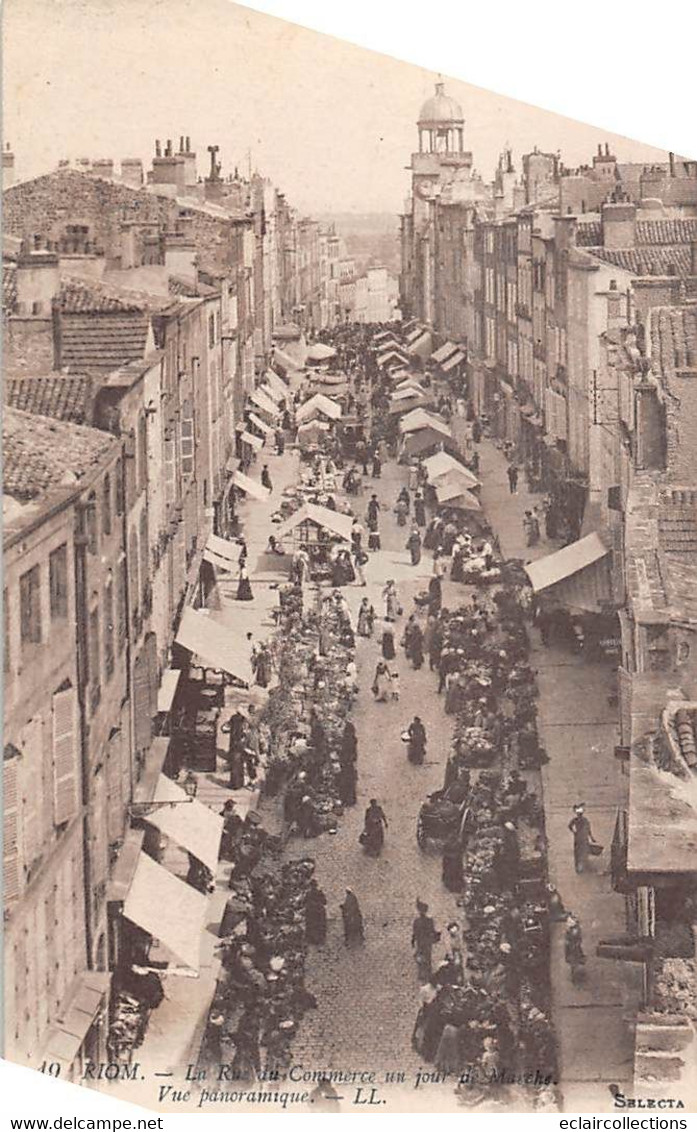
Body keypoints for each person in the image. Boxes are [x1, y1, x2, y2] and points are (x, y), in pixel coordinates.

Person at [411, 901, 440, 981]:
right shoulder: (429, 920)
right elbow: (432, 931)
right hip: (426, 942)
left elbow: (415, 933)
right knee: (427, 956)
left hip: (421, 941)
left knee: (421, 956)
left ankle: (422, 973)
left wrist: (413, 941)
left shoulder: (417, 921)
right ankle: (427, 973)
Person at [568, 804, 598, 874]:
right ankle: (583, 866)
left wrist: (574, 832)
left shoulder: (575, 820)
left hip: (578, 837)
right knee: (583, 852)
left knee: (578, 853)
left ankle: (579, 867)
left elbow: (570, 826)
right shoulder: (584, 820)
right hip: (583, 837)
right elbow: (588, 829)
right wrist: (591, 837)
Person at [305, 880, 328, 945]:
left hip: (311, 912)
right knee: (319, 926)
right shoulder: (319, 893)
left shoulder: (308, 893)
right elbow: (325, 902)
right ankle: (319, 940)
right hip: (318, 912)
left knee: (312, 926)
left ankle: (312, 940)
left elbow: (304, 902)